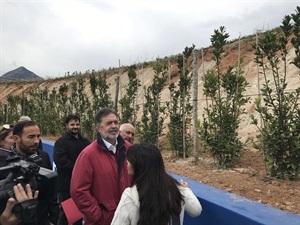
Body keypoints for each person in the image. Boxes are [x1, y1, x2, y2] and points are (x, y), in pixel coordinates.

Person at [111, 143, 202, 225]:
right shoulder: (177, 189)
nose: (126, 163)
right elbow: (196, 211)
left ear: (138, 165)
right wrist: (186, 190)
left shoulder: (131, 195)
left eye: (129, 161)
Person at [70, 108, 131, 225]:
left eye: (116, 122)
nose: (114, 126)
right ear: (98, 128)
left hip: (127, 217)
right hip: (103, 220)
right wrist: (96, 215)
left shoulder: (129, 149)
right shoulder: (88, 155)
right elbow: (78, 190)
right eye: (109, 123)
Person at [12, 120, 58, 225]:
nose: (37, 141)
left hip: (41, 219)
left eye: (38, 136)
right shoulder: (6, 161)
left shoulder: (43, 157)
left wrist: (53, 219)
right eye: (31, 137)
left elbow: (51, 190)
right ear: (16, 139)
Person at [53, 115, 90, 225]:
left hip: (82, 186)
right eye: (72, 124)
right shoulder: (61, 142)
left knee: (79, 215)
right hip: (66, 186)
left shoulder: (85, 141)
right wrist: (80, 171)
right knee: (66, 214)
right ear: (66, 126)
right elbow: (61, 161)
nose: (75, 127)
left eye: (77, 124)